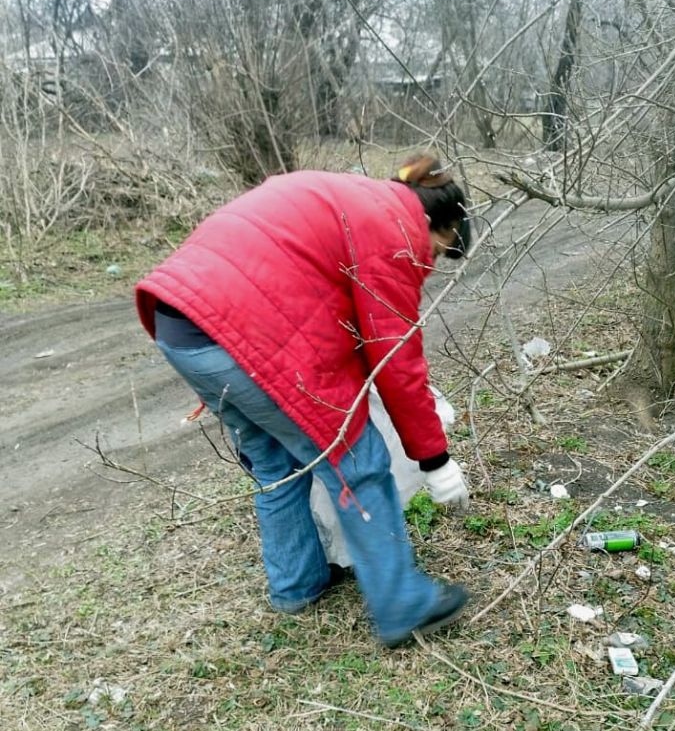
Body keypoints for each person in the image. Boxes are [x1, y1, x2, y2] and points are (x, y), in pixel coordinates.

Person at [135, 155, 472, 648]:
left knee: (275, 459)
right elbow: (397, 358)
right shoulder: (395, 232)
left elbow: (318, 301)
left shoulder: (353, 196)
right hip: (240, 335)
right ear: (437, 224)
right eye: (441, 250)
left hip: (182, 325)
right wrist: (435, 459)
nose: (433, 262)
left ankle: (297, 584)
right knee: (359, 460)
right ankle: (403, 604)